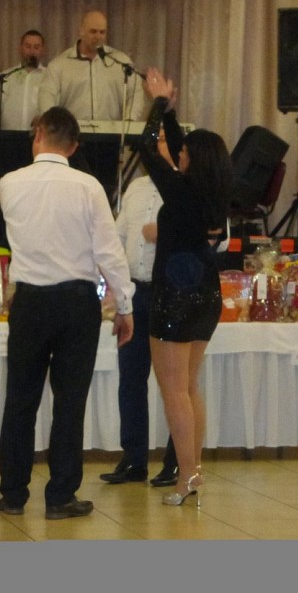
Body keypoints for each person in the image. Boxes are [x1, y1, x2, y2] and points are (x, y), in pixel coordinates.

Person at [0, 106, 135, 520]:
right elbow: (109, 251)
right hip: (77, 302)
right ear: (74, 147)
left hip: (29, 301)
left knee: (20, 398)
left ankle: (12, 494)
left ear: (37, 134)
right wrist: (124, 304)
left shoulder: (8, 183)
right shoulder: (88, 187)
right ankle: (60, 496)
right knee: (70, 402)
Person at [138, 68, 231, 507]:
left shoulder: (179, 191)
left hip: (176, 295)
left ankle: (186, 477)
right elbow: (175, 147)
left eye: (185, 152)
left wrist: (157, 104)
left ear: (194, 160)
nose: (179, 153)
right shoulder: (213, 192)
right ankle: (194, 471)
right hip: (206, 293)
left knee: (174, 389)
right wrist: (171, 114)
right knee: (189, 386)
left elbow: (147, 148)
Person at [99, 155, 178, 487]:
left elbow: (217, 240)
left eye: (161, 142)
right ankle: (133, 459)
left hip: (172, 292)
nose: (154, 151)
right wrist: (115, 289)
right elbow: (117, 240)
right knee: (131, 377)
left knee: (174, 383)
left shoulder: (185, 187)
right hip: (135, 292)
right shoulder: (135, 187)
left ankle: (177, 461)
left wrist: (166, 234)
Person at [38, 11, 146, 199]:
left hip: (109, 140)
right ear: (81, 31)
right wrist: (53, 127)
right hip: (73, 140)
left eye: (102, 32)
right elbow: (47, 96)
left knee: (104, 192)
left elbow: (136, 93)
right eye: (93, 31)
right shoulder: (60, 64)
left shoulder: (120, 62)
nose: (98, 37)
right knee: (74, 192)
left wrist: (129, 120)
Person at [0, 29, 48, 246]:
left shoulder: (49, 77)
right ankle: (3, 243)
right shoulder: (6, 77)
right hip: (8, 144)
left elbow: (55, 107)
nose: (32, 51)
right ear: (21, 48)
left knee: (34, 197)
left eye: (36, 47)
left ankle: (32, 243)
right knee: (8, 194)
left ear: (42, 50)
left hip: (37, 145)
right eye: (28, 46)